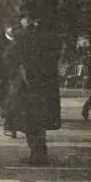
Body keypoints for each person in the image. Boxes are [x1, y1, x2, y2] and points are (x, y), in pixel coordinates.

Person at [19, 11, 60, 165]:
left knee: (32, 122)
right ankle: (38, 154)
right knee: (38, 123)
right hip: (43, 87)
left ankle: (38, 156)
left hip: (31, 87)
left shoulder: (29, 36)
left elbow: (23, 61)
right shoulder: (44, 36)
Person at [0, 21, 28, 138]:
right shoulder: (0, 43)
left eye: (15, 28)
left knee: (15, 102)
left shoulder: (19, 42)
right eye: (10, 27)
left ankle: (14, 127)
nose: (13, 30)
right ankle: (10, 127)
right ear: (5, 29)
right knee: (9, 103)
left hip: (16, 76)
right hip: (5, 76)